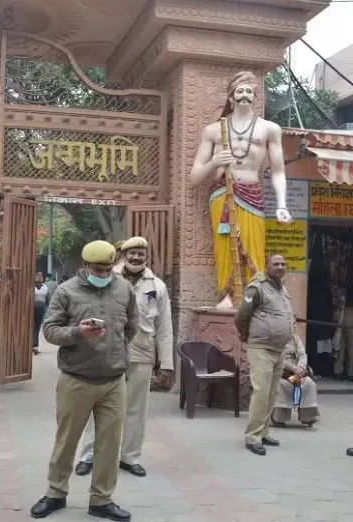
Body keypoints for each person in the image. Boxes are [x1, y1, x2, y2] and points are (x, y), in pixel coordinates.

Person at [30, 240, 138, 521]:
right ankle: (55, 494)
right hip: (76, 379)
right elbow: (50, 330)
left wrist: (115, 352)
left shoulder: (124, 289)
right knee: (66, 441)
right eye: (98, 270)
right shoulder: (66, 291)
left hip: (114, 381)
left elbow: (131, 327)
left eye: (108, 270)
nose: (104, 275)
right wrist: (78, 333)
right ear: (85, 266)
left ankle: (101, 499)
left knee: (109, 445)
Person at [189, 71, 292, 309]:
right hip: (222, 192)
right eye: (239, 91)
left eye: (249, 91)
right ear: (231, 97)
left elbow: (278, 171)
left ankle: (254, 295)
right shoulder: (213, 130)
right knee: (225, 245)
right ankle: (226, 295)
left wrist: (282, 205)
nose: (244, 95)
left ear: (255, 97)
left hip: (252, 193)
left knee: (254, 244)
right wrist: (214, 162)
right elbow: (194, 178)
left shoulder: (269, 129)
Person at [76, 236, 173, 479]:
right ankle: (88, 456)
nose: (136, 257)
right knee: (98, 406)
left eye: (141, 253)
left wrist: (166, 364)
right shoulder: (108, 279)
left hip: (142, 354)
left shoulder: (157, 287)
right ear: (124, 254)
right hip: (108, 352)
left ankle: (130, 457)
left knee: (136, 410)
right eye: (132, 253)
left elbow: (164, 327)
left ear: (146, 256)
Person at [235, 253, 294, 456]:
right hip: (261, 348)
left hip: (279, 349)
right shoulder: (257, 288)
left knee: (272, 392)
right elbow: (241, 316)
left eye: (283, 264)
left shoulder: (281, 288)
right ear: (266, 266)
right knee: (261, 392)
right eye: (276, 264)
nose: (280, 267)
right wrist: (245, 335)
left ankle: (263, 431)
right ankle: (253, 436)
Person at [272, 327, 319, 427]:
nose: (294, 326)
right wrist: (293, 368)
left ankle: (307, 417)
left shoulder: (295, 338)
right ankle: (279, 418)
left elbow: (302, 355)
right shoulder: (274, 339)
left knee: (309, 383)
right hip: (281, 374)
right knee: (281, 384)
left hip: (298, 374)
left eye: (294, 324)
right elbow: (276, 359)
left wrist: (300, 367)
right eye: (291, 323)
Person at [33, 271, 50, 355]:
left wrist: (49, 311)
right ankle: (34, 345)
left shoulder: (45, 287)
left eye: (41, 275)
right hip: (32, 310)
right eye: (37, 275)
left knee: (37, 328)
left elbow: (48, 300)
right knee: (33, 328)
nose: (39, 276)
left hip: (40, 310)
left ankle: (35, 345)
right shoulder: (31, 287)